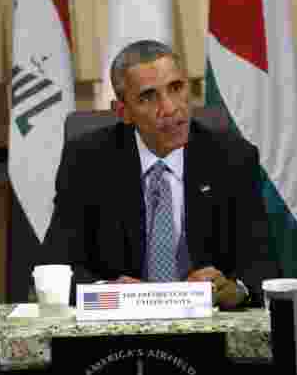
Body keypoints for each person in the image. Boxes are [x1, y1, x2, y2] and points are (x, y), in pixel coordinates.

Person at [43, 40, 277, 309]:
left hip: (207, 327)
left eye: (176, 88)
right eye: (148, 96)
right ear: (123, 112)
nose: (170, 108)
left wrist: (235, 289)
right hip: (118, 330)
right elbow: (55, 267)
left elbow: (263, 266)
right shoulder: (87, 161)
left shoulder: (232, 158)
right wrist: (107, 292)